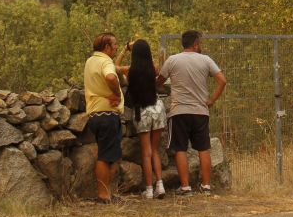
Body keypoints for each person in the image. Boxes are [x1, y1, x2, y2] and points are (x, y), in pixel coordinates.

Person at [156, 30, 226, 196]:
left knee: (180, 148)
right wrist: (211, 100)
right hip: (200, 111)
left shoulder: (172, 60)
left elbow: (159, 81)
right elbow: (222, 81)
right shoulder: (206, 60)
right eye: (199, 43)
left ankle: (186, 187)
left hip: (179, 111)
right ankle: (206, 186)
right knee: (203, 148)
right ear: (195, 44)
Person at [115, 39, 167, 200]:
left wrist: (125, 49)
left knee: (146, 153)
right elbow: (162, 65)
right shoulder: (154, 69)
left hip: (142, 111)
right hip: (157, 108)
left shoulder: (130, 70)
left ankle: (149, 189)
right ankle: (160, 185)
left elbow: (114, 67)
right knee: (155, 150)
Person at [84, 32, 124, 204]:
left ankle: (106, 193)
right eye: (114, 44)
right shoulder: (105, 61)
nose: (116, 47)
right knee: (106, 156)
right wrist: (116, 93)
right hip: (107, 114)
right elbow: (110, 76)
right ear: (106, 47)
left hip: (95, 113)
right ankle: (104, 195)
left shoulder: (90, 61)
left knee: (108, 154)